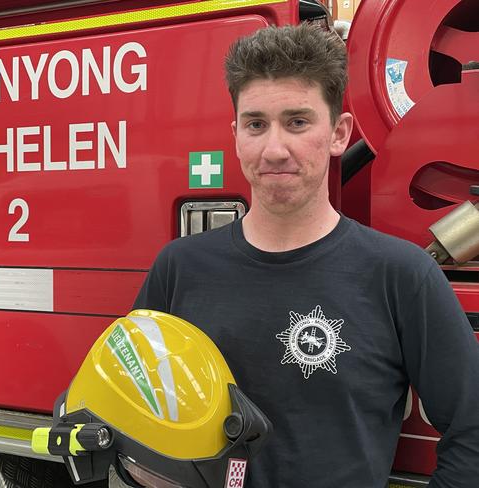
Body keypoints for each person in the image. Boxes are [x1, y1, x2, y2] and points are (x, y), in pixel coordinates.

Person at [133, 23, 479, 487]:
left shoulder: (400, 276)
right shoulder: (180, 268)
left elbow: (472, 430)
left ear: (339, 133)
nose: (275, 149)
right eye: (256, 124)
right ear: (236, 135)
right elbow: (128, 397)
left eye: (298, 121)